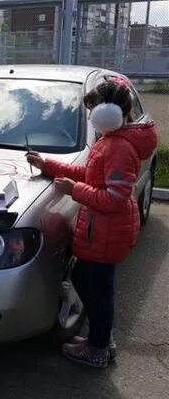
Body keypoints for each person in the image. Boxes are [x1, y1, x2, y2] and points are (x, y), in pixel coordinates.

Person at [26, 77, 158, 368]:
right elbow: (89, 173)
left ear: (109, 113)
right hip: (102, 230)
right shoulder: (111, 141)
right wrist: (48, 165)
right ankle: (101, 338)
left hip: (107, 232)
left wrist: (74, 191)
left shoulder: (119, 148)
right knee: (91, 282)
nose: (91, 117)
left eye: (94, 110)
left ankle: (98, 348)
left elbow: (115, 199)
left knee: (96, 288)